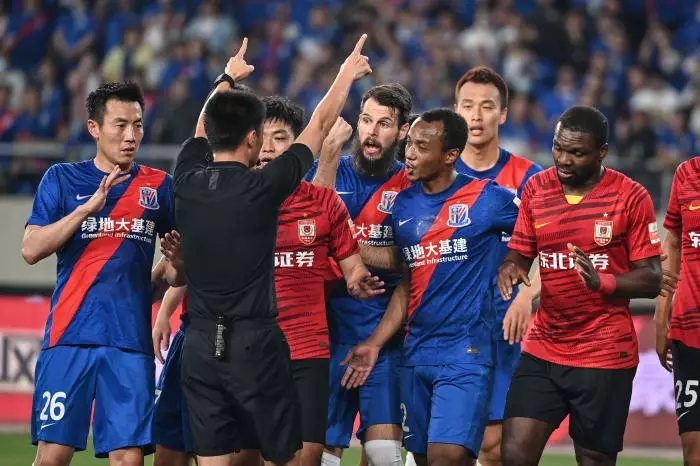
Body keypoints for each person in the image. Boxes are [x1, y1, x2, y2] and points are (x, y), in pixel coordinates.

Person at [172, 36, 372, 466]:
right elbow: (319, 125)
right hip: (253, 344)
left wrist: (226, 78)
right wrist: (345, 74)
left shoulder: (185, 181)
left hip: (201, 345)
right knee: (285, 456)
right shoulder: (263, 189)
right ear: (252, 138)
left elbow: (201, 131)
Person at [341, 108, 521, 466]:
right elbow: (409, 282)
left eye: (422, 147)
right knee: (423, 458)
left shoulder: (487, 198)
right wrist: (375, 343)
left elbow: (538, 224)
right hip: (416, 353)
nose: (409, 154)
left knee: (447, 457)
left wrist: (516, 260)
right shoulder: (403, 205)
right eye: (409, 144)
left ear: (450, 155)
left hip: (465, 352)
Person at [22, 81, 178, 466]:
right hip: (69, 337)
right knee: (52, 456)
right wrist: (85, 210)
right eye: (120, 125)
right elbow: (31, 249)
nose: (131, 136)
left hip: (129, 344)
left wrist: (178, 263)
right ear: (94, 128)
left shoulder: (159, 186)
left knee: (128, 458)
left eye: (138, 125)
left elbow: (177, 273)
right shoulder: (62, 178)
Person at [497, 106, 663, 466]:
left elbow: (652, 278)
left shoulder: (630, 197)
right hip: (544, 347)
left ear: (602, 152)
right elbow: (520, 252)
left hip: (603, 352)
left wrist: (602, 281)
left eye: (577, 152)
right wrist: (510, 267)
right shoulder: (537, 188)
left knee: (593, 460)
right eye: (558, 148)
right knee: (513, 454)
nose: (563, 159)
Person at [308, 83, 413, 466]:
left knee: (384, 455)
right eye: (366, 120)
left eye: (384, 124)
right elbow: (309, 234)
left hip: (385, 340)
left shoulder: (411, 184)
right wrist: (327, 155)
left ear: (402, 132)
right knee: (322, 455)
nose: (372, 131)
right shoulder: (328, 169)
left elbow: (412, 260)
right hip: (325, 337)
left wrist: (346, 243)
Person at [453, 66, 542, 466]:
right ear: (456, 111)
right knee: (439, 446)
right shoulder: (436, 172)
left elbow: (551, 248)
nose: (476, 115)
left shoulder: (529, 177)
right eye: (467, 106)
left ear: (503, 113)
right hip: (444, 328)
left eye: (486, 106)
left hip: (503, 328)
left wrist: (526, 296)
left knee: (493, 445)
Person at [655, 156, 700, 465]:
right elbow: (672, 241)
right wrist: (661, 314)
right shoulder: (688, 173)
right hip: (689, 329)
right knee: (693, 451)